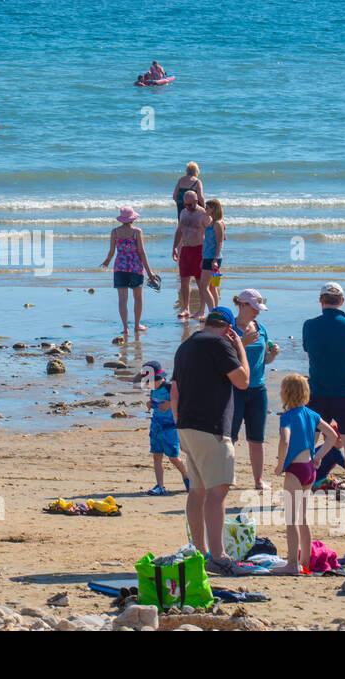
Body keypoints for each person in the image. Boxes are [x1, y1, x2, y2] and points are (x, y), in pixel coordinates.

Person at [172, 307, 250, 572]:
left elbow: (174, 390)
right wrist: (240, 347)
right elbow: (243, 381)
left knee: (198, 491)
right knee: (218, 491)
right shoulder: (220, 344)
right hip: (211, 427)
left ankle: (200, 553)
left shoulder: (186, 346)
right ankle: (218, 555)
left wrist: (178, 425)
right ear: (228, 329)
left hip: (187, 424)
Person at [302, 282, 345, 508]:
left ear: (321, 301)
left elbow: (308, 348)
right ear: (342, 301)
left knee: (310, 440)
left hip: (318, 391)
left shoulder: (310, 325)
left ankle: (303, 489)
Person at [273, 374, 339, 574]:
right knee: (303, 518)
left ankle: (292, 564)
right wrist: (318, 456)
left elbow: (285, 440)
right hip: (310, 469)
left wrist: (280, 463)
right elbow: (333, 436)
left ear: (285, 394)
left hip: (294, 470)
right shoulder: (312, 414)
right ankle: (307, 562)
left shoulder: (287, 417)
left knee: (291, 520)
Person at [231, 288, 278, 489]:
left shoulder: (261, 328)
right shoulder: (229, 328)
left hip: (258, 388)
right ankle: (226, 475)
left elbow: (262, 360)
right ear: (242, 305)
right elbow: (221, 356)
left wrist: (273, 355)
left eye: (259, 308)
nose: (257, 312)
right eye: (254, 307)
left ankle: (258, 480)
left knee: (256, 437)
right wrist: (242, 342)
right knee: (229, 436)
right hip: (234, 388)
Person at [133, 360, 189, 496]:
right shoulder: (153, 391)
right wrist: (150, 404)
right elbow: (155, 403)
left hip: (170, 428)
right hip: (156, 427)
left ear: (160, 378)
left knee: (173, 457)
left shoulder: (170, 387)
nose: (148, 384)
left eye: (150, 381)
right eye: (146, 382)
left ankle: (187, 478)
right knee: (156, 456)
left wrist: (170, 404)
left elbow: (184, 401)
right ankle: (160, 485)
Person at [100, 206, 157, 337]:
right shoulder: (137, 232)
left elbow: (111, 251)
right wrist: (150, 272)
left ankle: (125, 328)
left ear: (121, 219)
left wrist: (107, 261)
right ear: (133, 218)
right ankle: (137, 325)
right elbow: (142, 252)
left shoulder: (115, 231)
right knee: (137, 298)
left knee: (122, 300)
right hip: (135, 268)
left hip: (120, 267)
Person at [172, 191, 211, 320]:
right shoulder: (183, 212)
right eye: (185, 204)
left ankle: (201, 310)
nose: (187, 206)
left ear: (196, 201)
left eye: (189, 204)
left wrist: (208, 254)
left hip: (199, 250)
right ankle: (186, 308)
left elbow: (212, 234)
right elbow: (179, 230)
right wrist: (175, 248)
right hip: (185, 249)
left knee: (201, 282)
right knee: (184, 279)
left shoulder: (203, 215)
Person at [200, 199, 225, 315]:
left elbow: (220, 242)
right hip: (208, 257)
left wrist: (215, 259)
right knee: (212, 287)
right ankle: (216, 311)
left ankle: (212, 313)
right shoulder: (212, 222)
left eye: (207, 208)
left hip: (213, 258)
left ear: (214, 209)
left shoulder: (218, 223)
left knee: (204, 287)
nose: (205, 209)